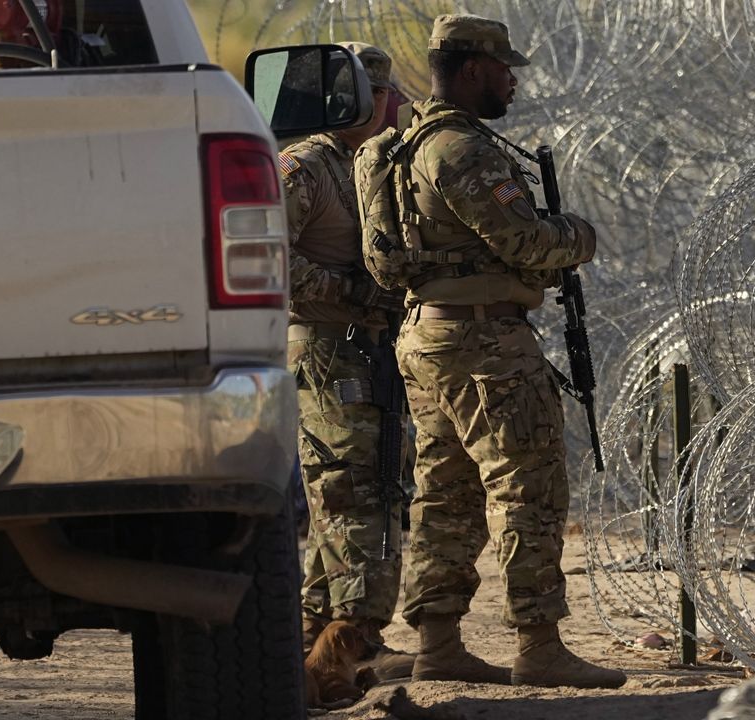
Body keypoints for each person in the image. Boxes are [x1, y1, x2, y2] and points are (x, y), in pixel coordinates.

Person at [375, 13, 626, 689]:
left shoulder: (401, 146)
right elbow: (526, 242)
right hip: (484, 342)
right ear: (471, 70)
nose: (511, 81)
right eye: (502, 69)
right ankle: (539, 644)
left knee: (446, 493)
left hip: (428, 334)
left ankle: (438, 643)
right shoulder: (463, 150)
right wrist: (578, 234)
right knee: (528, 487)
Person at [282, 41, 411, 679]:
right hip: (327, 346)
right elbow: (264, 258)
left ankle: (316, 640)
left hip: (368, 348)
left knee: (356, 492)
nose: (388, 106)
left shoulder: (372, 165)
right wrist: (354, 291)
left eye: (385, 94)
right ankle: (356, 641)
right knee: (353, 493)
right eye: (376, 94)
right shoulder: (304, 168)